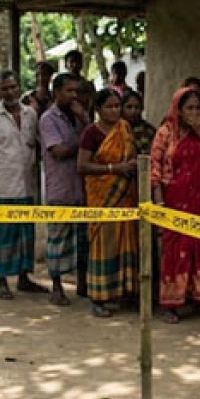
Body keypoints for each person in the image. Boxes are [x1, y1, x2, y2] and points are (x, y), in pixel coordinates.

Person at [151, 86, 200, 324]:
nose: (194, 112)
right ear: (178, 110)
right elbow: (155, 169)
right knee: (175, 253)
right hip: (175, 204)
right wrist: (160, 203)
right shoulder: (165, 133)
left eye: (198, 108)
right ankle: (171, 304)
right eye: (189, 108)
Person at [0, 70, 47, 301]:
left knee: (24, 235)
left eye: (13, 87)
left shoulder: (31, 114)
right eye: (5, 88)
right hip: (3, 185)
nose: (10, 92)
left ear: (19, 87)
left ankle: (24, 278)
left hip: (27, 185)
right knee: (4, 235)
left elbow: (36, 146)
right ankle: (2, 281)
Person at [78, 89, 139, 317]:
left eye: (117, 106)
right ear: (98, 109)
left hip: (125, 196)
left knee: (125, 243)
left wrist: (129, 167)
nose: (114, 111)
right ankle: (99, 297)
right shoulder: (91, 133)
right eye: (109, 107)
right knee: (103, 245)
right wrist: (114, 169)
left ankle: (121, 293)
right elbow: (82, 166)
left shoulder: (124, 129)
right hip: (103, 197)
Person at [41, 73, 89, 305]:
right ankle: (57, 287)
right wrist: (82, 144)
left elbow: (95, 140)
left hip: (80, 187)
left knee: (82, 239)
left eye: (76, 91)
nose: (74, 96)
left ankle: (82, 284)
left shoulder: (78, 117)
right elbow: (58, 151)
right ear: (56, 92)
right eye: (69, 91)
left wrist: (84, 121)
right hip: (60, 187)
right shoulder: (48, 119)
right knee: (58, 240)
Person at [122, 90, 155, 156]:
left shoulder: (149, 130)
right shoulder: (115, 128)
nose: (133, 111)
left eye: (137, 107)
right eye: (129, 107)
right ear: (122, 108)